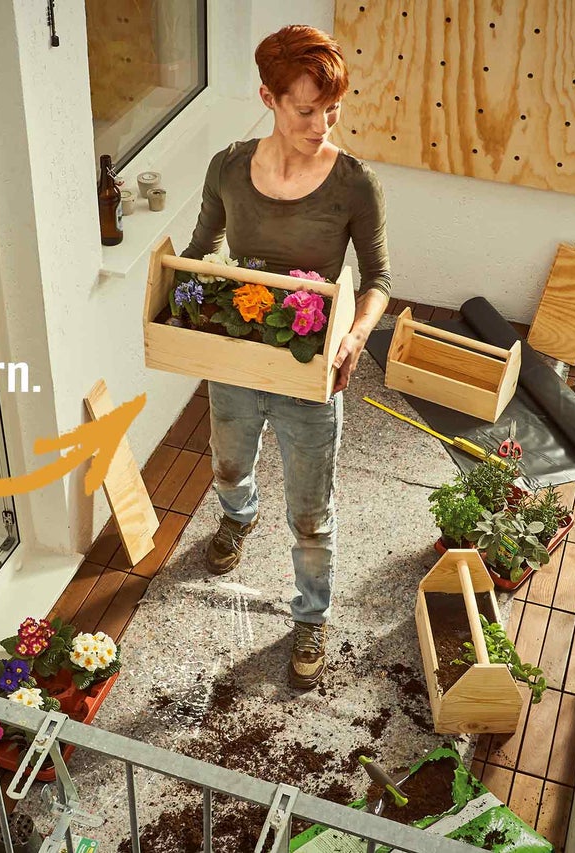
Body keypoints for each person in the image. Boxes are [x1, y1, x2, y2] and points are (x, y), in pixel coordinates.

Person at [179, 24, 391, 689]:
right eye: (306, 110)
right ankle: (238, 518)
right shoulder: (227, 169)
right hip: (240, 361)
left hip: (311, 373)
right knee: (230, 464)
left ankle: (310, 615)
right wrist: (209, 280)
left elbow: (380, 276)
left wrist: (355, 335)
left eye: (333, 109)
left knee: (311, 510)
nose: (323, 124)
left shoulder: (355, 184)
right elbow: (202, 248)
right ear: (268, 99)